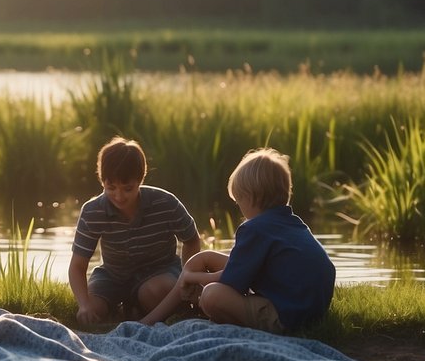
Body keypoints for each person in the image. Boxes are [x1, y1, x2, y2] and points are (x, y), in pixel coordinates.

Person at [138, 147, 335, 333]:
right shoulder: (292, 223)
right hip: (311, 310)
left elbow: (231, 282)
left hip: (286, 316)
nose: (239, 207)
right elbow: (247, 267)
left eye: (238, 200)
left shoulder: (254, 229)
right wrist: (197, 271)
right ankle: (162, 313)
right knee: (204, 257)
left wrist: (194, 278)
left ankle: (158, 316)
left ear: (251, 198)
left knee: (211, 295)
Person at [69, 136, 201, 325]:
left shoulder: (165, 202)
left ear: (140, 180)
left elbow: (191, 239)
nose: (119, 196)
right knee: (93, 311)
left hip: (160, 271)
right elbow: (77, 266)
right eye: (111, 188)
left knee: (154, 292)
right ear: (102, 182)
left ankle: (139, 307)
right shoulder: (92, 211)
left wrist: (187, 277)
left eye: (128, 189)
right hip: (113, 275)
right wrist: (84, 305)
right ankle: (126, 309)